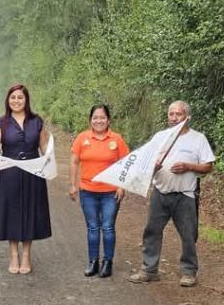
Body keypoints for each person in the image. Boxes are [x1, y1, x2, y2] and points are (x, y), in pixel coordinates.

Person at [128, 101, 215, 288]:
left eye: (178, 114)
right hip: (160, 191)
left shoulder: (198, 139)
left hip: (185, 194)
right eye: (171, 114)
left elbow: (209, 166)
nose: (174, 118)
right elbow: (145, 163)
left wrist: (188, 166)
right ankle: (149, 270)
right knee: (152, 231)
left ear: (187, 117)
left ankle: (189, 272)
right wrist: (154, 166)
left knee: (188, 234)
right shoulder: (160, 137)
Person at [0, 85, 52, 274]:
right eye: (12, 97)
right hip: (9, 172)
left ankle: (26, 255)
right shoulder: (1, 122)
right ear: (8, 100)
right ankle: (14, 255)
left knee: (30, 211)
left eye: (20, 97)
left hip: (33, 171)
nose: (16, 101)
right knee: (11, 212)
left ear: (26, 100)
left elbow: (44, 147)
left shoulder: (37, 121)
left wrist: (50, 160)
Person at [69, 104, 129, 278]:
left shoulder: (116, 139)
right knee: (93, 228)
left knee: (108, 227)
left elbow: (126, 163)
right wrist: (73, 185)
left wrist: (121, 186)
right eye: (95, 118)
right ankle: (93, 261)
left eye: (102, 117)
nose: (99, 121)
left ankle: (107, 262)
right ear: (90, 120)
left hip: (110, 192)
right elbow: (74, 161)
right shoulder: (82, 138)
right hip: (88, 191)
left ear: (108, 120)